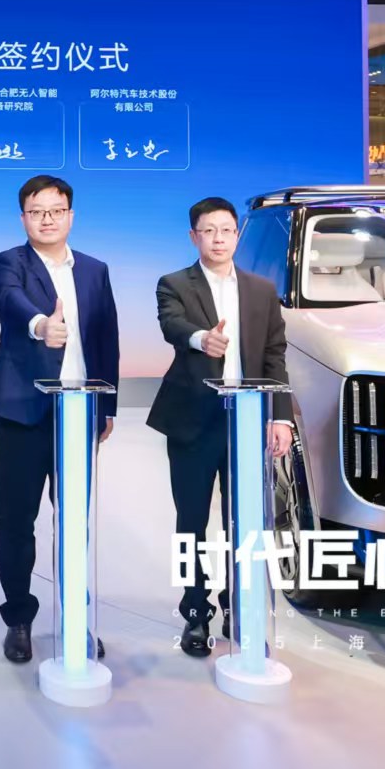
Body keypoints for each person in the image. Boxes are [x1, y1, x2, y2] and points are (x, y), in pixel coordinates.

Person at [149, 197, 295, 656]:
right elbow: (173, 326)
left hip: (246, 422)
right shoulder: (174, 283)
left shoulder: (261, 290)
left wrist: (281, 417)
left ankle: (239, 606)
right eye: (208, 230)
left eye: (226, 230)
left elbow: (274, 355)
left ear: (237, 235)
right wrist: (202, 339)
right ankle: (195, 613)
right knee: (191, 522)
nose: (218, 238)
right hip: (192, 421)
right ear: (194, 236)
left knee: (244, 523)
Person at [0, 174, 119, 664]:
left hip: (79, 410)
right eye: (37, 211)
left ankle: (75, 618)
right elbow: (10, 300)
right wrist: (42, 324)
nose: (47, 219)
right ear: (23, 217)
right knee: (17, 520)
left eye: (56, 210)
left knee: (74, 521)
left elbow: (106, 339)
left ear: (71, 216)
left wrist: (107, 406)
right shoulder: (8, 263)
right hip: (22, 410)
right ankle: (19, 619)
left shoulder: (95, 270)